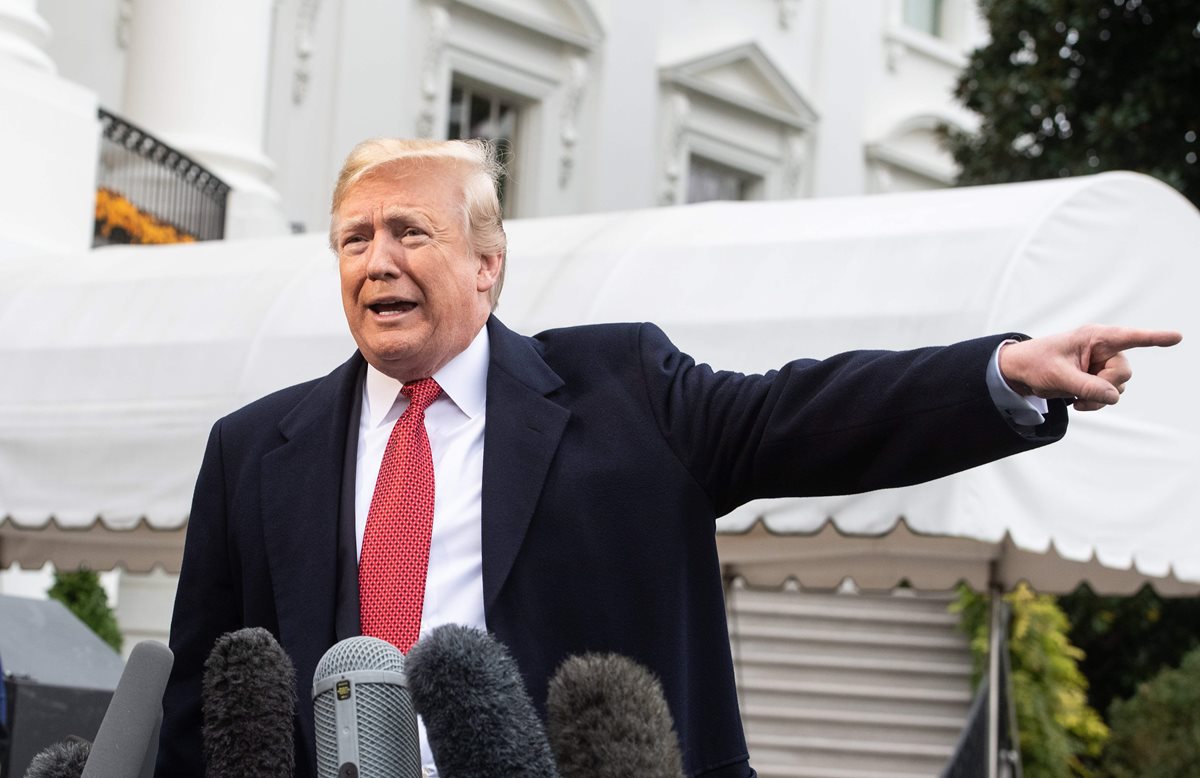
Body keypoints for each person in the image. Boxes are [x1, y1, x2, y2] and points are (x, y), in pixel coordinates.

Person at [157, 138, 1181, 778]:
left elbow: (805, 412)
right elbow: (206, 706)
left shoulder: (622, 391)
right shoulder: (253, 449)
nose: (376, 259)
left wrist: (1001, 371)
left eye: (409, 231)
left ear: (487, 264)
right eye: (353, 238)